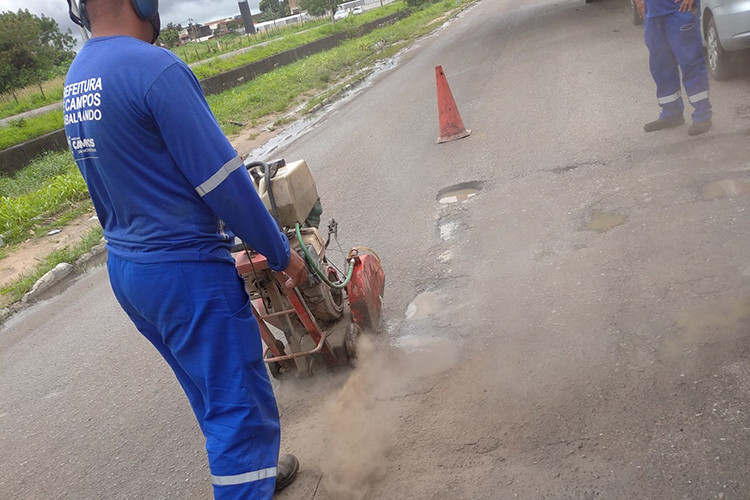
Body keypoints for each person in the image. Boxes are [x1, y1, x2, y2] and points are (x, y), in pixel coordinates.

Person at [62, 0, 306, 497]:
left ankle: (251, 471)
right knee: (241, 412)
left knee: (211, 392)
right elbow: (224, 183)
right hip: (185, 274)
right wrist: (281, 253)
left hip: (130, 272)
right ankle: (244, 476)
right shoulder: (154, 68)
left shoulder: (78, 77)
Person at [636, 0, 712, 136]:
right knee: (661, 65)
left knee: (690, 61)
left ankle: (702, 115)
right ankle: (672, 114)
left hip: (679, 10)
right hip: (652, 12)